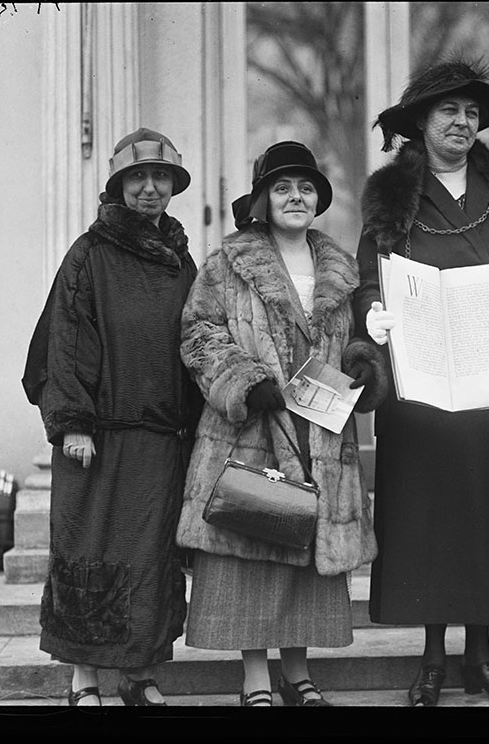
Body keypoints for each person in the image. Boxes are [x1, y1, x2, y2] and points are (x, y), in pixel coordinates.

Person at [355, 58, 489, 707]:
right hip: (420, 389)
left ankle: (482, 656)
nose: (462, 122)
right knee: (426, 521)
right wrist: (374, 312)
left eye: (471, 112)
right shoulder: (390, 193)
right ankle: (430, 657)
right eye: (448, 109)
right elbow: (372, 270)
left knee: (488, 520)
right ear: (420, 121)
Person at [175, 141, 387, 707]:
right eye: (282, 188)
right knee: (254, 554)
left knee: (304, 559)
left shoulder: (338, 265)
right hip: (252, 432)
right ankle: (255, 681)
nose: (296, 197)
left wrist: (363, 360)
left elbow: (356, 338)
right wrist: (243, 381)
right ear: (262, 200)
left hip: (319, 431)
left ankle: (299, 674)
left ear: (318, 199)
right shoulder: (229, 261)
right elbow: (199, 333)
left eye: (306, 188)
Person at [21, 127, 202, 707]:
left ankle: (142, 677)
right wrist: (74, 420)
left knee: (149, 561)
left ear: (173, 185)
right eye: (137, 178)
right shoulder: (90, 253)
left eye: (160, 178)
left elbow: (197, 340)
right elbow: (66, 338)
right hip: (96, 440)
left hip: (160, 443)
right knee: (88, 551)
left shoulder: (181, 260)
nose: (150, 188)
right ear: (119, 186)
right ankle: (84, 682)